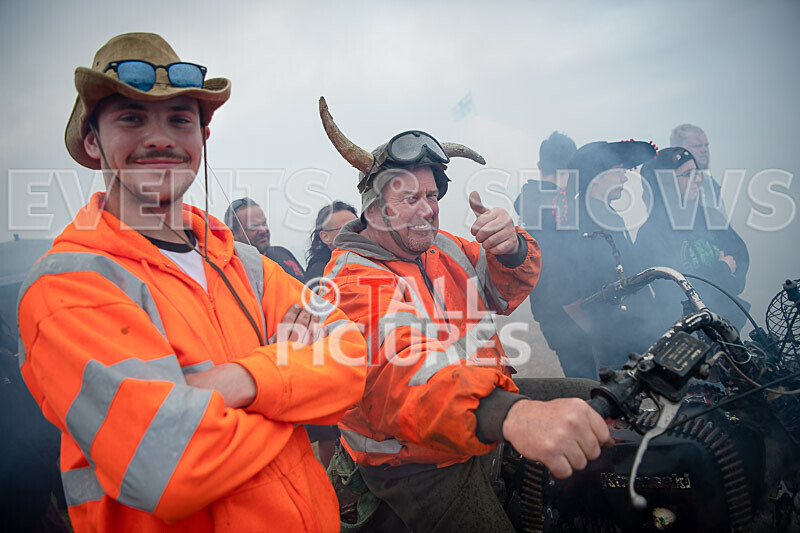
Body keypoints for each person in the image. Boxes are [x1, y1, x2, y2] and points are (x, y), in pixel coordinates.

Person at [17, 33, 367, 532]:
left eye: (179, 119)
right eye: (131, 118)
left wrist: (234, 383)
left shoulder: (245, 264)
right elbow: (168, 463)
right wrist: (291, 394)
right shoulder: (68, 286)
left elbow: (352, 361)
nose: (159, 138)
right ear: (93, 140)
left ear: (202, 137)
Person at [316, 97, 611, 532]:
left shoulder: (445, 248)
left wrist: (512, 248)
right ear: (375, 209)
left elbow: (504, 290)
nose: (427, 208)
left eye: (432, 195)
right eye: (409, 197)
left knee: (595, 400)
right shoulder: (352, 278)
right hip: (414, 458)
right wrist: (512, 414)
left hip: (480, 410)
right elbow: (405, 373)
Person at [546, 141, 659, 377]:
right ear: (597, 175)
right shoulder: (573, 220)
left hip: (635, 334)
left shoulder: (610, 214)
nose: (625, 179)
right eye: (618, 172)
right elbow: (562, 290)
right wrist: (597, 335)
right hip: (612, 345)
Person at [637, 147, 750, 330]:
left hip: (725, 326)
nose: (698, 179)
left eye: (697, 173)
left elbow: (740, 255)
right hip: (686, 333)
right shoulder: (650, 234)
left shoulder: (711, 217)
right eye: (688, 174)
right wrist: (722, 270)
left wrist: (727, 283)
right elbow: (672, 293)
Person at [513, 131, 580, 375]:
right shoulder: (558, 204)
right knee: (591, 385)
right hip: (569, 309)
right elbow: (555, 264)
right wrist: (583, 317)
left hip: (548, 307)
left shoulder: (532, 198)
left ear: (540, 164)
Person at [224, 197, 306, 280]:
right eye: (254, 226)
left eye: (264, 223)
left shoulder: (282, 253)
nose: (263, 230)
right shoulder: (234, 273)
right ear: (233, 234)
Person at [304, 201, 358, 282]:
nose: (355, 233)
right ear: (325, 237)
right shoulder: (319, 274)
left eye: (358, 226)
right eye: (346, 229)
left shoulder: (375, 259)